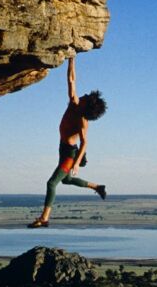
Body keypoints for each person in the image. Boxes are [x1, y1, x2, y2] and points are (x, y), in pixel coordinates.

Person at [28, 56, 107, 228]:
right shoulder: (74, 103)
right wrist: (72, 60)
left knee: (52, 183)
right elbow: (72, 80)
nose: (84, 94)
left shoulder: (82, 121)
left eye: (86, 97)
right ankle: (97, 187)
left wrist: (77, 163)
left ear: (87, 106)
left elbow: (85, 142)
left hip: (70, 154)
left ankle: (44, 218)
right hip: (63, 147)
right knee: (66, 180)